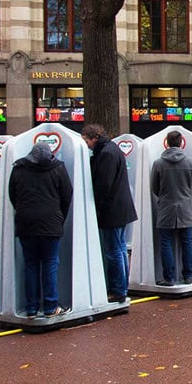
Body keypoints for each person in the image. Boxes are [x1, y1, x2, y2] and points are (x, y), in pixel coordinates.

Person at [9, 142, 73, 318]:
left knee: (30, 264)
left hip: (25, 222)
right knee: (50, 263)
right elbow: (67, 194)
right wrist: (60, 216)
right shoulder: (58, 168)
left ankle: (31, 308)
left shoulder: (19, 168)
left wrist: (23, 211)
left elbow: (12, 194)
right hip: (51, 222)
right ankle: (50, 306)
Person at [81, 124, 138, 303]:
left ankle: (117, 290)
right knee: (120, 249)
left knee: (113, 250)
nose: (87, 145)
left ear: (93, 138)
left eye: (86, 141)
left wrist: (96, 206)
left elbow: (103, 185)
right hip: (120, 208)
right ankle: (122, 286)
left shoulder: (105, 153)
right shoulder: (112, 149)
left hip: (112, 210)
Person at [151, 131, 192, 286]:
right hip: (185, 207)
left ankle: (169, 278)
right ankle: (189, 276)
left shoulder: (158, 164)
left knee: (165, 243)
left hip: (166, 207)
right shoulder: (191, 163)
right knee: (187, 242)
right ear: (181, 143)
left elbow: (155, 188)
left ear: (167, 142)